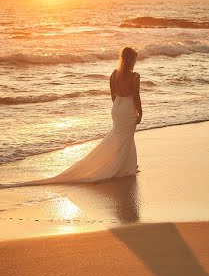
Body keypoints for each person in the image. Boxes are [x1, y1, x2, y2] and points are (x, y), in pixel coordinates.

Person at [29, 46, 142, 185]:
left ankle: (128, 166)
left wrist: (118, 107)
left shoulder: (114, 74)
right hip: (128, 109)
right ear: (131, 60)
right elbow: (136, 96)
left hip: (117, 109)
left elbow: (113, 94)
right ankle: (118, 168)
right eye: (135, 59)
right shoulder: (135, 76)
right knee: (125, 138)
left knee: (122, 138)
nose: (135, 62)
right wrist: (140, 112)